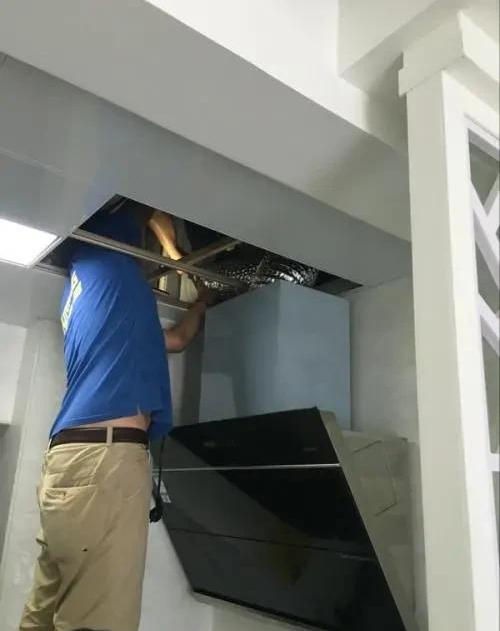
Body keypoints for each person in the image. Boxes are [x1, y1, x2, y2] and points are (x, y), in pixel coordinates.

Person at [19, 201, 210, 631]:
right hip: (102, 464)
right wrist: (176, 254)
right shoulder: (108, 263)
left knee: (43, 615)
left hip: (71, 466)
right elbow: (147, 204)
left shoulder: (90, 295)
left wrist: (200, 304)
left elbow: (176, 339)